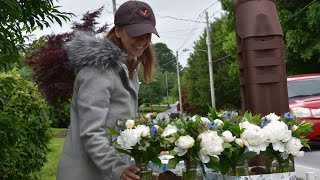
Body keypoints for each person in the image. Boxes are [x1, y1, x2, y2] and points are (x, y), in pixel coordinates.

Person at [56, 1, 159, 180]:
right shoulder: (99, 69)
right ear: (118, 31)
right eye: (136, 33)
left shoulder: (128, 66)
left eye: (147, 34)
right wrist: (117, 168)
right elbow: (92, 132)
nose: (143, 41)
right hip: (86, 174)